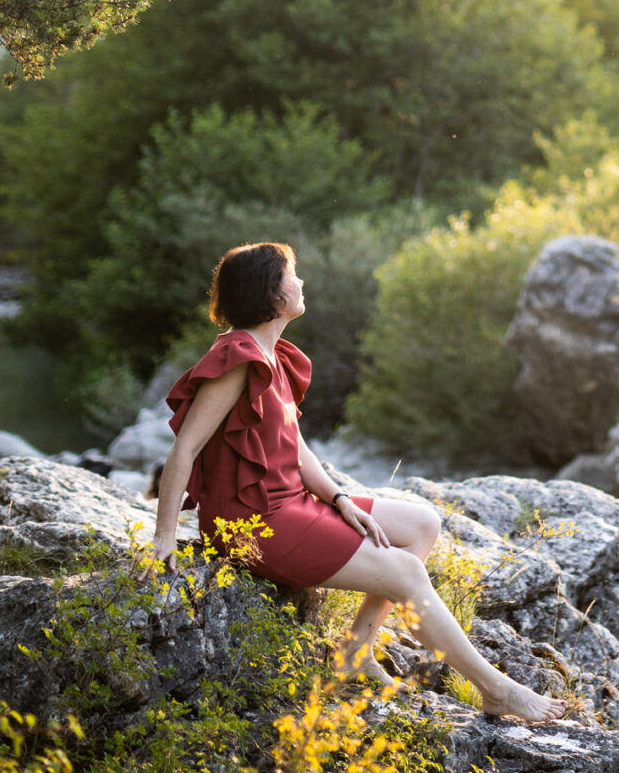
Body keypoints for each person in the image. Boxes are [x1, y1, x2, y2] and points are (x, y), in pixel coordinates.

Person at [149, 241, 567, 725]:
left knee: (421, 524)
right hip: (253, 523)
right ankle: (496, 690)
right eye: (292, 275)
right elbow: (184, 449)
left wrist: (340, 497)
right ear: (271, 293)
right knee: (405, 573)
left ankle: (355, 652)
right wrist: (164, 538)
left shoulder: (273, 355)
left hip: (290, 505)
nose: (301, 283)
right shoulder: (238, 358)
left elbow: (296, 448)